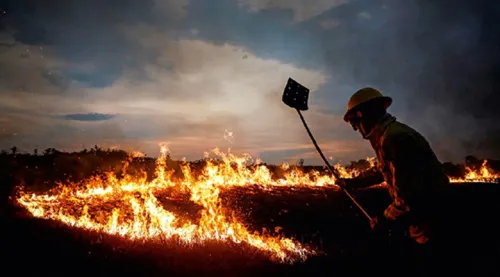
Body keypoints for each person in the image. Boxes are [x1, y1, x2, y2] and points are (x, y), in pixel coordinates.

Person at [341, 87, 451, 246]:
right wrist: (352, 183)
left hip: (432, 224)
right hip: (424, 222)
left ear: (364, 116)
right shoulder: (388, 135)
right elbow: (382, 169)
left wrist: (384, 220)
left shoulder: (395, 139)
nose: (356, 128)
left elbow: (407, 198)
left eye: (355, 122)